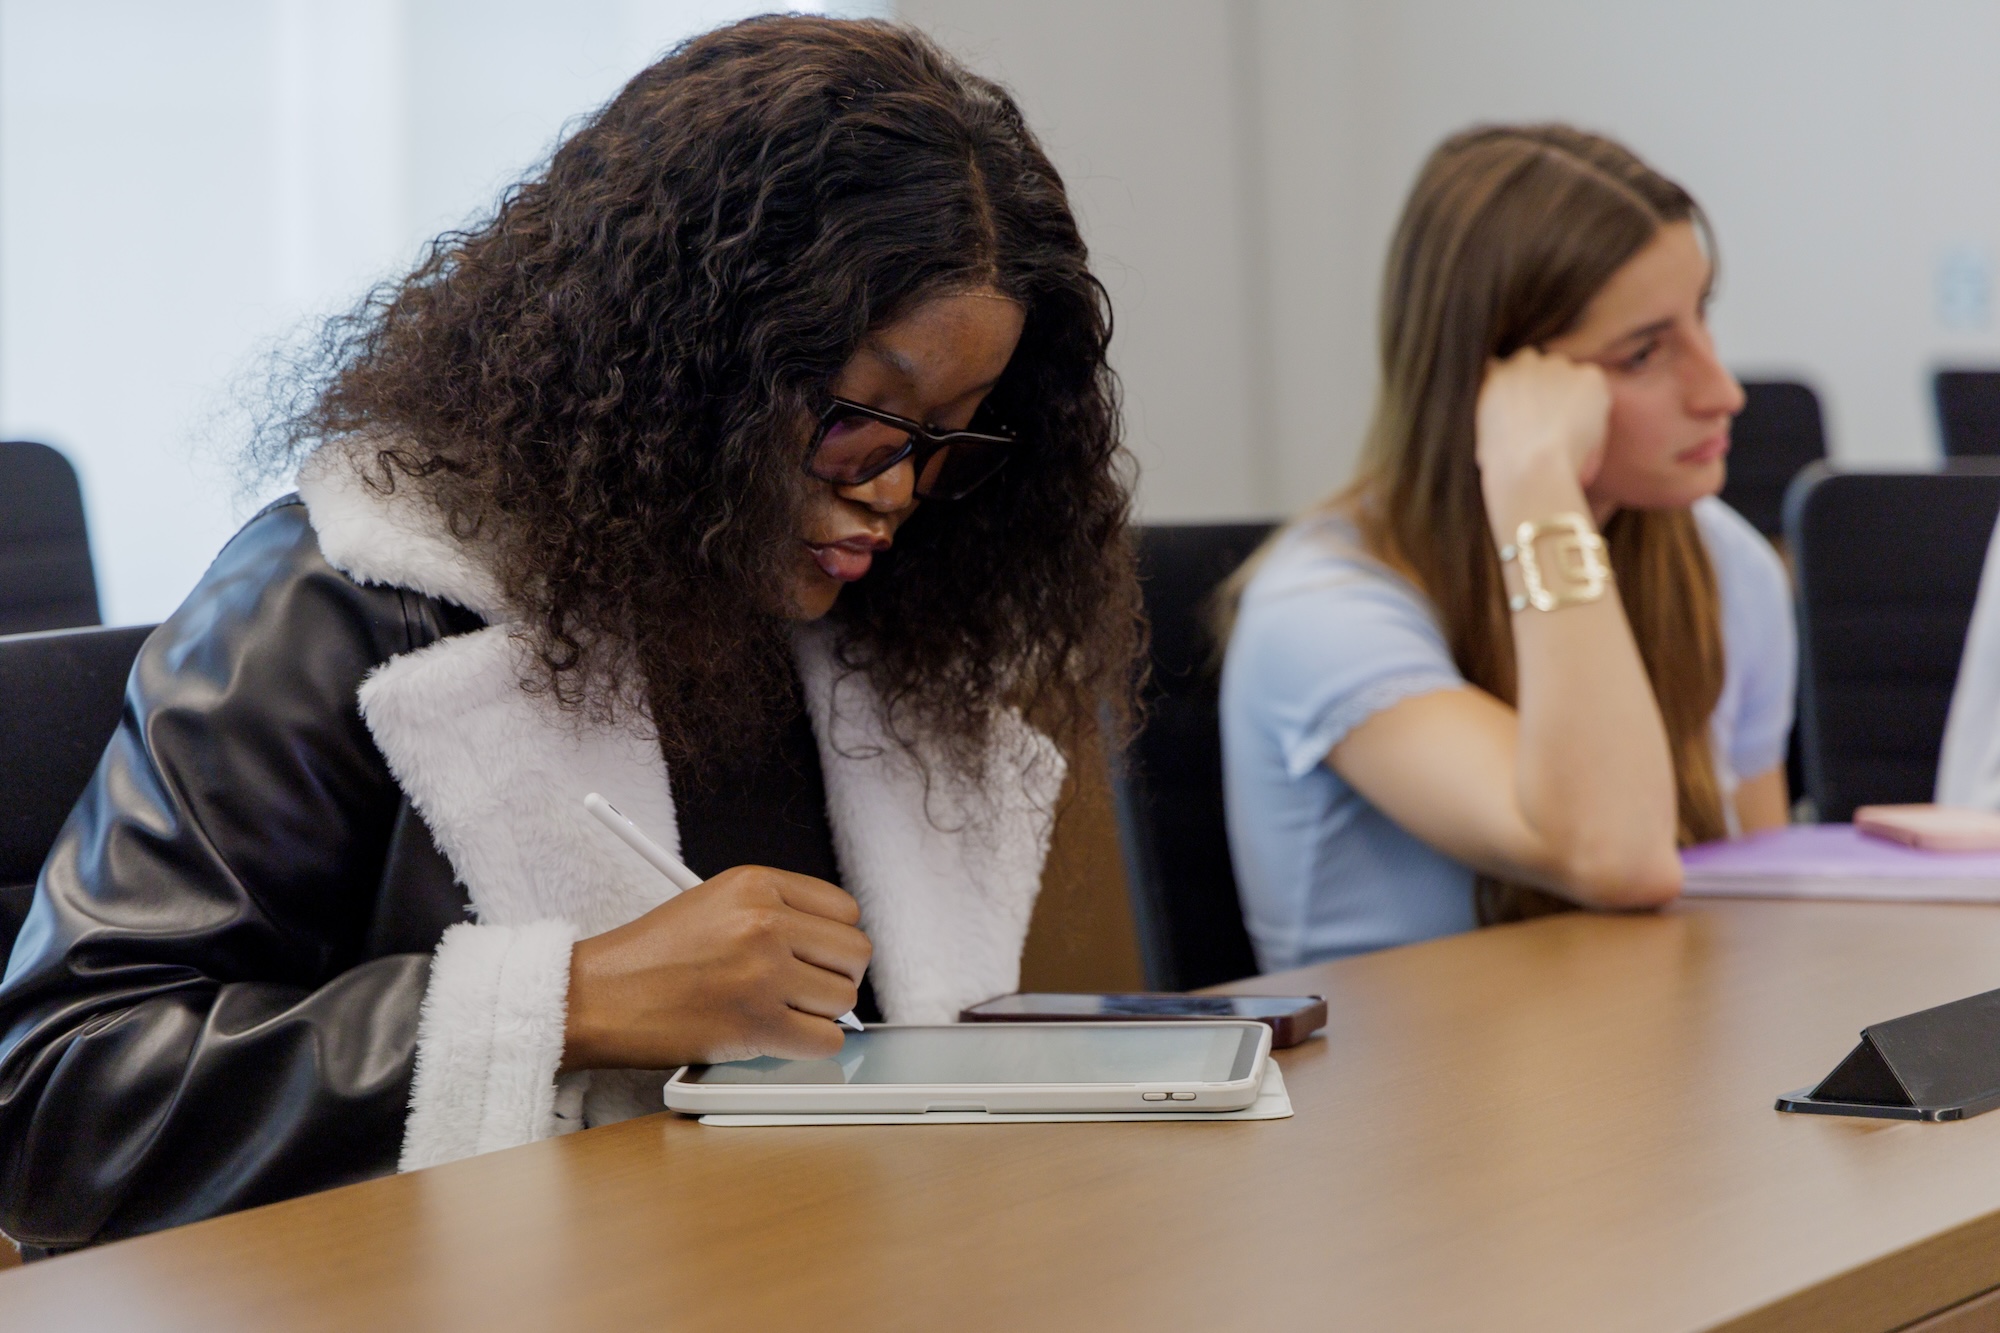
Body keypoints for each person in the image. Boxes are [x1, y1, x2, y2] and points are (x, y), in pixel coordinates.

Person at [0, 16, 1138, 1251]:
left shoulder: (878, 641)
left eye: (950, 435)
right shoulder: (346, 596)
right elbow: (59, 1095)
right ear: (695, 361)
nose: (896, 490)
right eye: (861, 417)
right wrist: (574, 1001)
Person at [1220, 125, 1794, 971]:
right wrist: (1533, 484)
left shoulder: (1724, 566)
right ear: (1502, 390)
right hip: (1410, 1102)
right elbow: (1616, 852)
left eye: (1701, 314)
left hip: (1651, 1072)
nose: (1722, 389)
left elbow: (1762, 917)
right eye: (1643, 352)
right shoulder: (1322, 612)